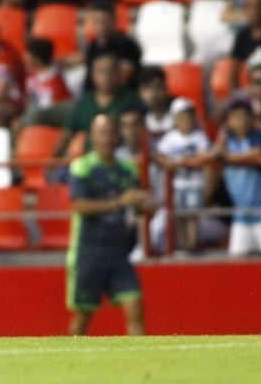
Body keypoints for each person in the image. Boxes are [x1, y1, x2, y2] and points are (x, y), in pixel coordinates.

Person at [67, 114, 153, 336]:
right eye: (101, 133)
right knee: (83, 318)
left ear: (117, 137)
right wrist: (119, 203)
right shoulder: (82, 167)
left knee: (134, 306)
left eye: (110, 133)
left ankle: (142, 361)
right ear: (93, 137)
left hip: (119, 252)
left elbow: (135, 206)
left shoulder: (128, 169)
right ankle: (68, 361)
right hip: (89, 251)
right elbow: (79, 206)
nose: (106, 139)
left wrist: (146, 206)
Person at [153, 98, 223, 252]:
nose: (187, 120)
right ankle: (181, 243)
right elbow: (158, 155)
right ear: (175, 119)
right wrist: (169, 162)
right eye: (182, 117)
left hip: (194, 184)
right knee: (178, 215)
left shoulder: (199, 136)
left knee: (192, 215)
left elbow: (208, 154)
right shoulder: (171, 138)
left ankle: (192, 244)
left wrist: (191, 159)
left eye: (189, 116)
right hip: (176, 185)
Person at [214, 99, 261, 257]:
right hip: (242, 216)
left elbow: (257, 153)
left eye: (245, 116)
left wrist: (228, 158)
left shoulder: (258, 136)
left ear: (252, 119)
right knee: (236, 261)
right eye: (236, 117)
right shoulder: (226, 140)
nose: (242, 121)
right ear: (228, 122)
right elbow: (213, 154)